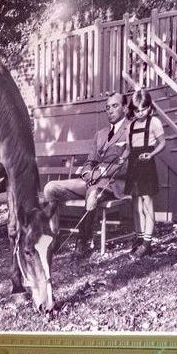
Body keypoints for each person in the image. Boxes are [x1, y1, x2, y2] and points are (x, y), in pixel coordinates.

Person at [41, 93, 130, 253]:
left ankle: (83, 241)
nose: (110, 110)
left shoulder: (130, 130)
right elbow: (90, 162)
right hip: (92, 181)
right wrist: (88, 173)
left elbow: (130, 164)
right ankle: (53, 237)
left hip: (113, 184)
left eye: (115, 106)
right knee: (50, 188)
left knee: (93, 194)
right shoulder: (101, 134)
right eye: (107, 107)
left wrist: (102, 173)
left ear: (125, 107)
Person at [126, 89, 166, 255]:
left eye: (143, 109)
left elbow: (162, 143)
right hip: (133, 165)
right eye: (136, 110)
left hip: (146, 165)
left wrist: (151, 154)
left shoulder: (155, 122)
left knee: (147, 203)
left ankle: (147, 242)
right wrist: (122, 157)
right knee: (136, 204)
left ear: (149, 107)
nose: (140, 113)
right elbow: (129, 149)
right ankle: (140, 237)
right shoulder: (131, 125)